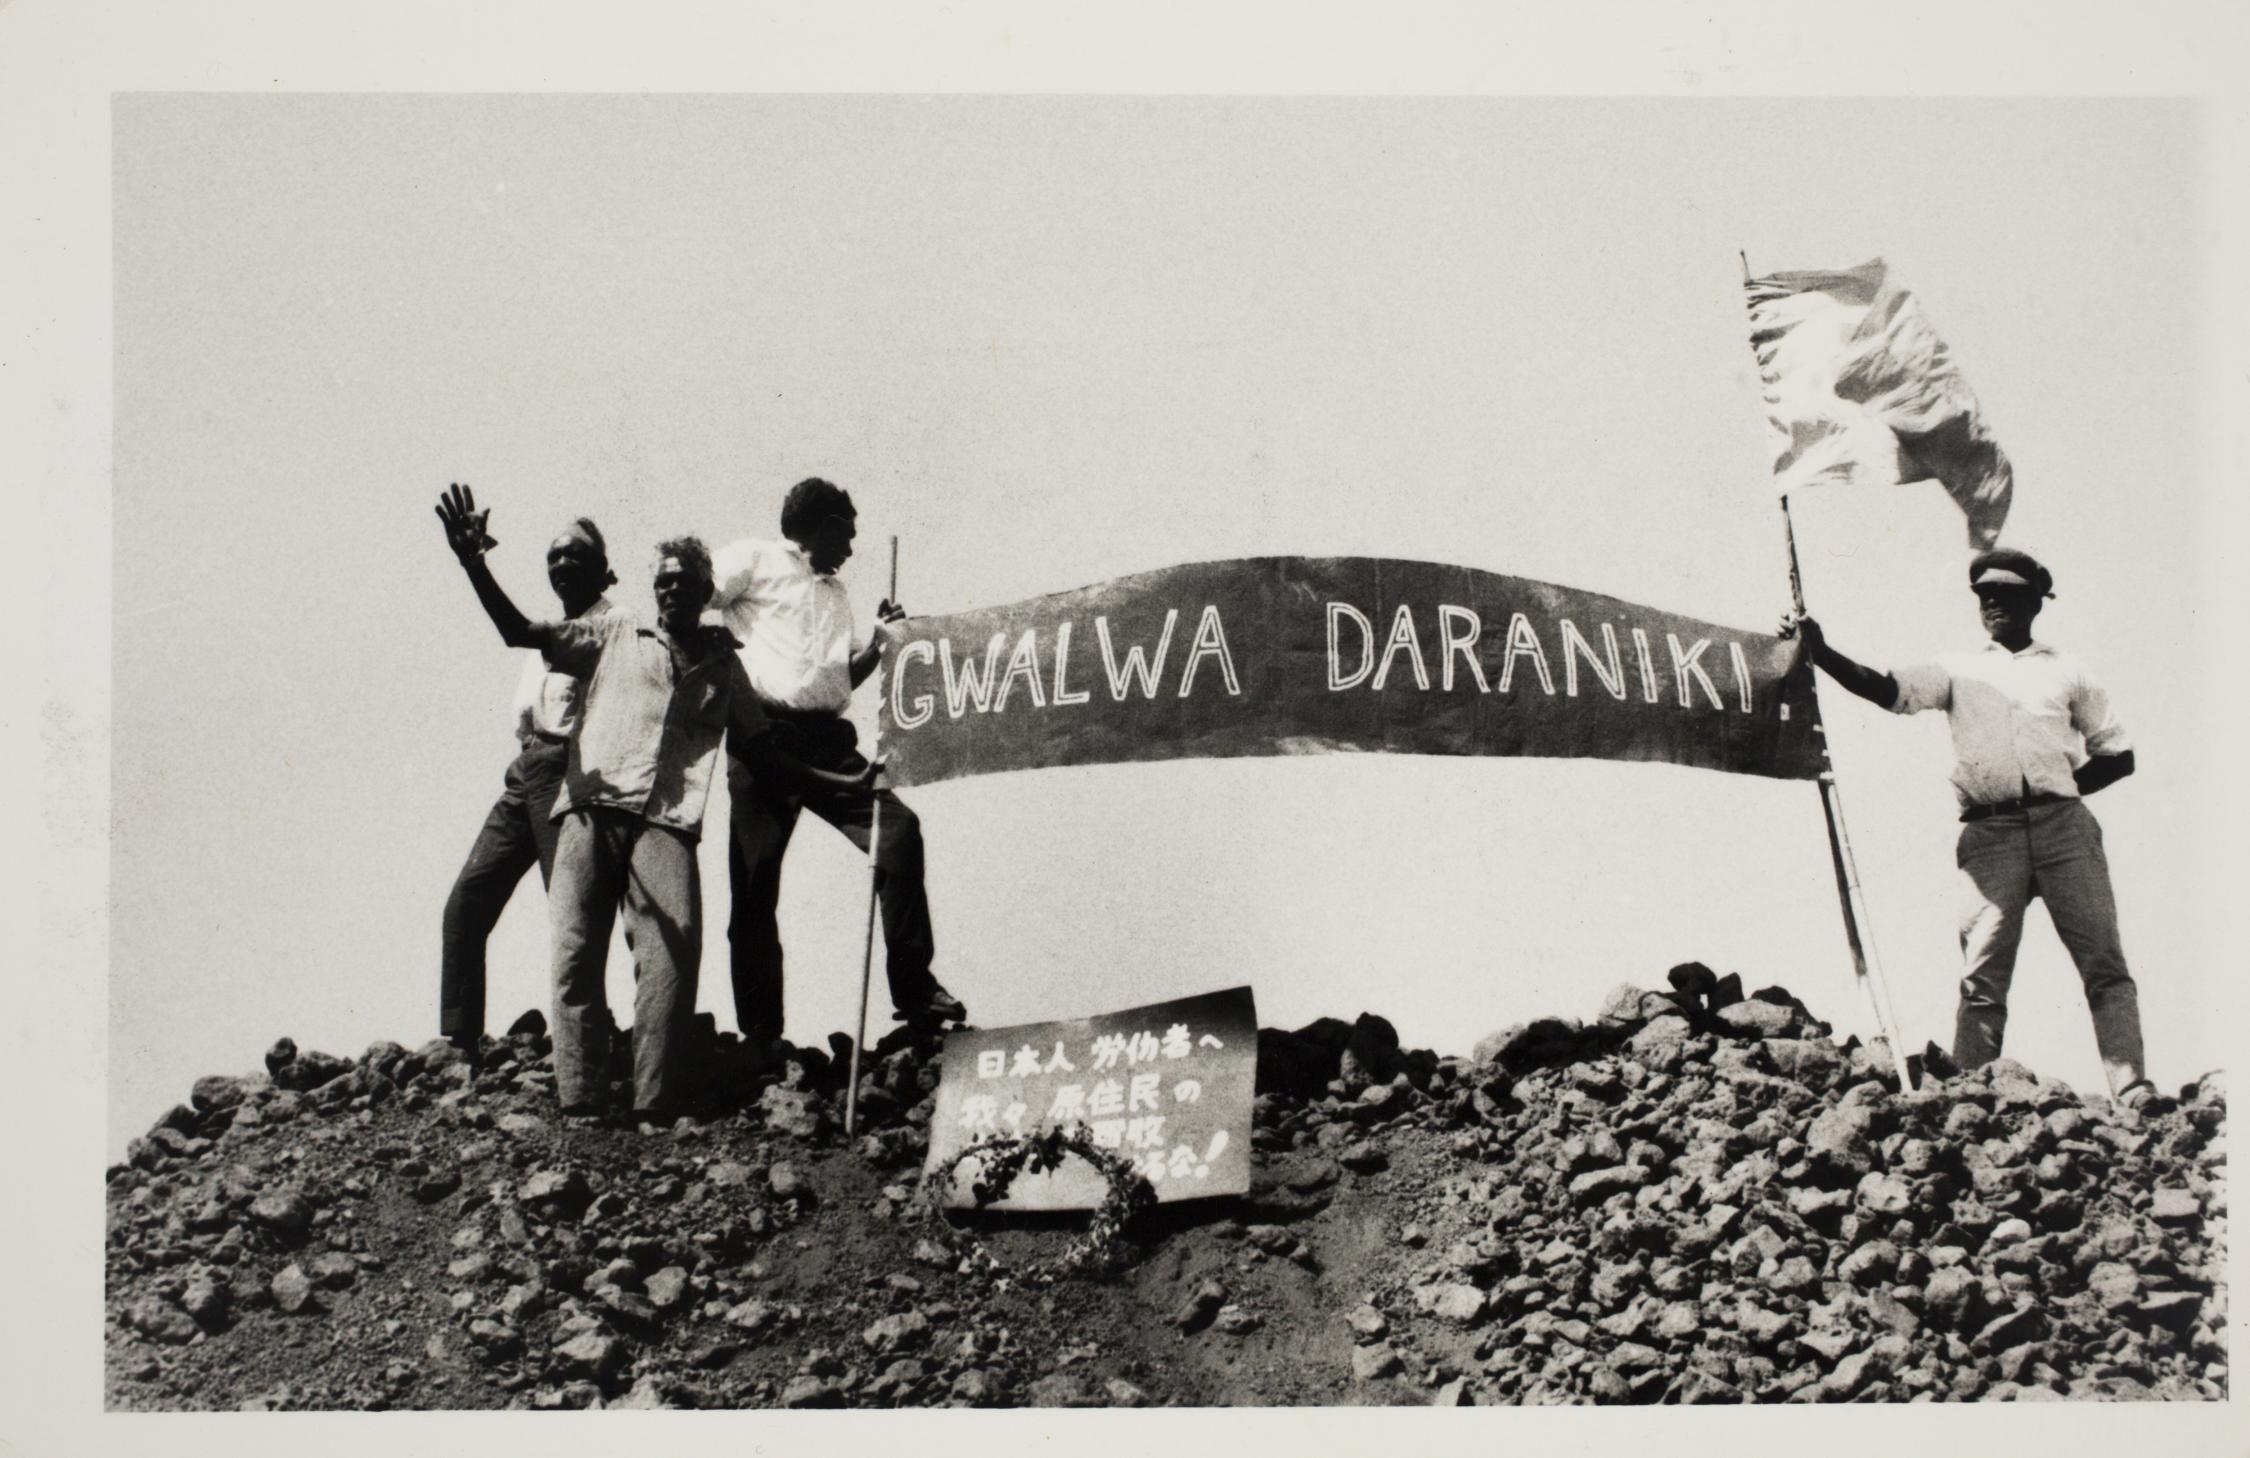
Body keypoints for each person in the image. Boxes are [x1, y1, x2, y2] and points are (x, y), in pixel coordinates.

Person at [434, 484, 873, 1116]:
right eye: (662, 581)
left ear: (704, 591)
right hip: (589, 808)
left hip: (666, 822)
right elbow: (519, 632)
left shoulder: (726, 666)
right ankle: (581, 1103)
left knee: (673, 952)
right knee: (575, 953)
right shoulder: (614, 632)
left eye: (685, 581)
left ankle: (653, 1104)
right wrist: (473, 563)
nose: (671, 590)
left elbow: (769, 755)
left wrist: (845, 784)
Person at [1784, 547, 2154, 1108]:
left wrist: (2059, 788)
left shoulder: (2068, 669)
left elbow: (2118, 755)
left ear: (2036, 601)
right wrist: (1821, 651)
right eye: (1985, 595)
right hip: (1990, 835)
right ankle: (1968, 1095)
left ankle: (2131, 1088)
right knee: (1982, 973)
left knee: (2103, 962)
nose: (1994, 603)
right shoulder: (1956, 668)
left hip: (2064, 829)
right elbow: (1887, 689)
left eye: (2007, 593)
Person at [710, 477, 966, 1054]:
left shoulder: (835, 592)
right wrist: (720, 674)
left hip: (827, 740)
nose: (850, 547)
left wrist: (877, 646)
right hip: (764, 740)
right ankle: (761, 1036)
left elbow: (834, 681)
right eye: (846, 534)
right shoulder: (755, 558)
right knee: (753, 884)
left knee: (897, 832)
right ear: (821, 524)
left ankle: (915, 990)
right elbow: (694, 595)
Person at [437, 517, 617, 1068]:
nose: (561, 564)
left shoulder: (606, 627)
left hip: (570, 769)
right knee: (466, 903)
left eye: (575, 557)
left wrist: (474, 565)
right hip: (525, 771)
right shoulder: (552, 627)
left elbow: (513, 629)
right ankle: (460, 1038)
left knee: (572, 916)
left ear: (604, 572)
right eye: (554, 556)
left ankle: (594, 1039)